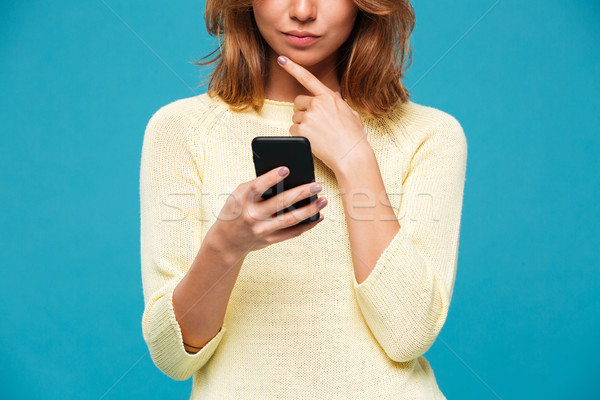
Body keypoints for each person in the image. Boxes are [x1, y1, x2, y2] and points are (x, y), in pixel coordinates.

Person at [139, 0, 467, 398]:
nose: (302, 10)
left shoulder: (430, 135)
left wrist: (355, 159)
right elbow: (174, 358)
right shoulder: (181, 132)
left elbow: (408, 334)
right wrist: (225, 248)